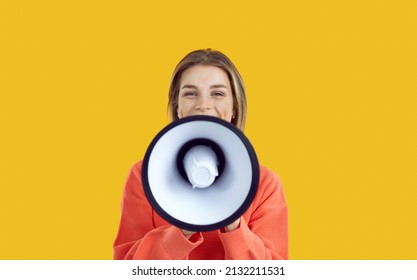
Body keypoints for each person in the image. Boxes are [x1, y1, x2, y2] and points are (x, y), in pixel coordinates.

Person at [113, 49, 288, 260]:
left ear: (234, 107)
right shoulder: (143, 176)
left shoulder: (265, 184)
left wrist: (233, 223)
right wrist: (181, 230)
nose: (203, 105)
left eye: (217, 93)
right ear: (177, 107)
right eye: (190, 93)